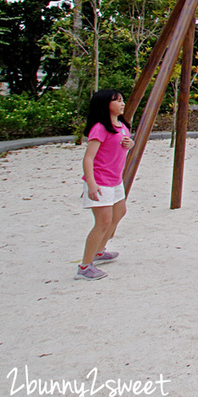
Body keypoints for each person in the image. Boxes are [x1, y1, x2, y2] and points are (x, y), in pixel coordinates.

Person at [76, 90, 135, 281]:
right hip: (101, 181)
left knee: (119, 212)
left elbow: (125, 143)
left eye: (122, 100)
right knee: (103, 221)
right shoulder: (100, 128)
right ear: (104, 105)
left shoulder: (122, 125)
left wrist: (130, 144)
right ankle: (85, 266)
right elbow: (88, 158)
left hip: (115, 180)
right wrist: (91, 184)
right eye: (117, 101)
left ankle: (99, 251)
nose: (122, 103)